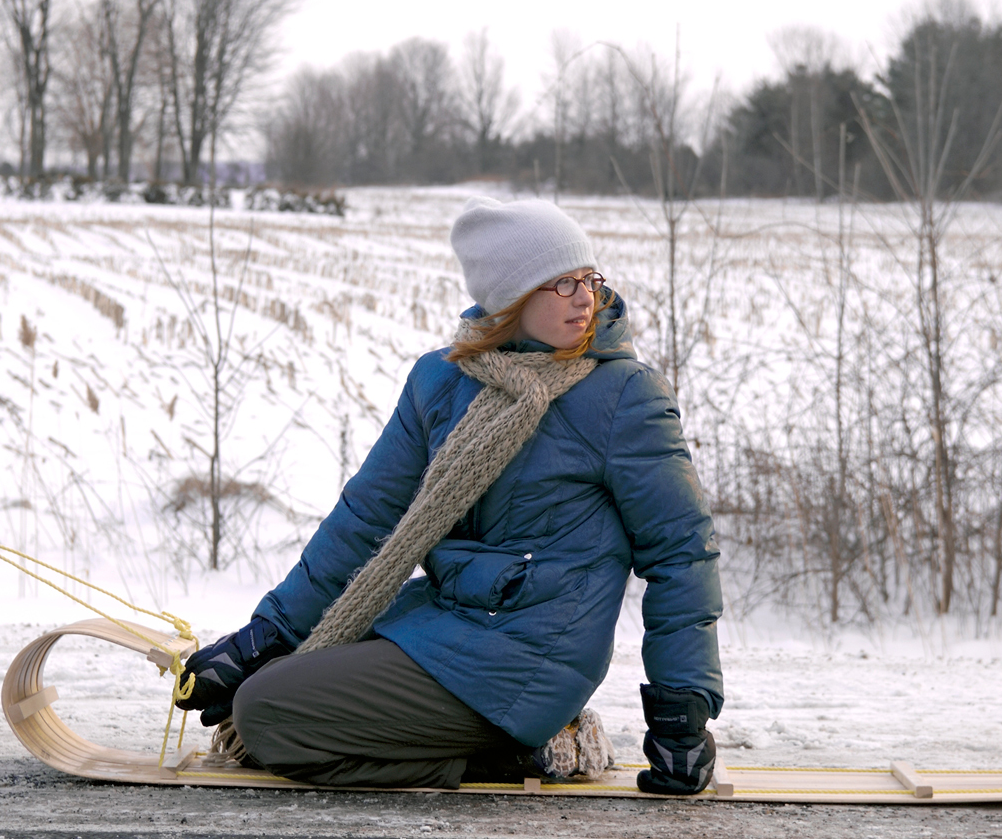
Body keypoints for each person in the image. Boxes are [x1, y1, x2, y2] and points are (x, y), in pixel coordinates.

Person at [176, 196, 723, 794]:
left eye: (590, 279)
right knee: (289, 665)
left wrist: (681, 713)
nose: (585, 297)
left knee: (267, 713)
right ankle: (507, 746)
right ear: (508, 298)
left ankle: (512, 754)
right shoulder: (441, 382)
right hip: (443, 622)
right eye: (560, 283)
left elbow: (681, 554)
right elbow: (367, 520)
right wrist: (266, 636)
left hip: (530, 655)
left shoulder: (623, 395)